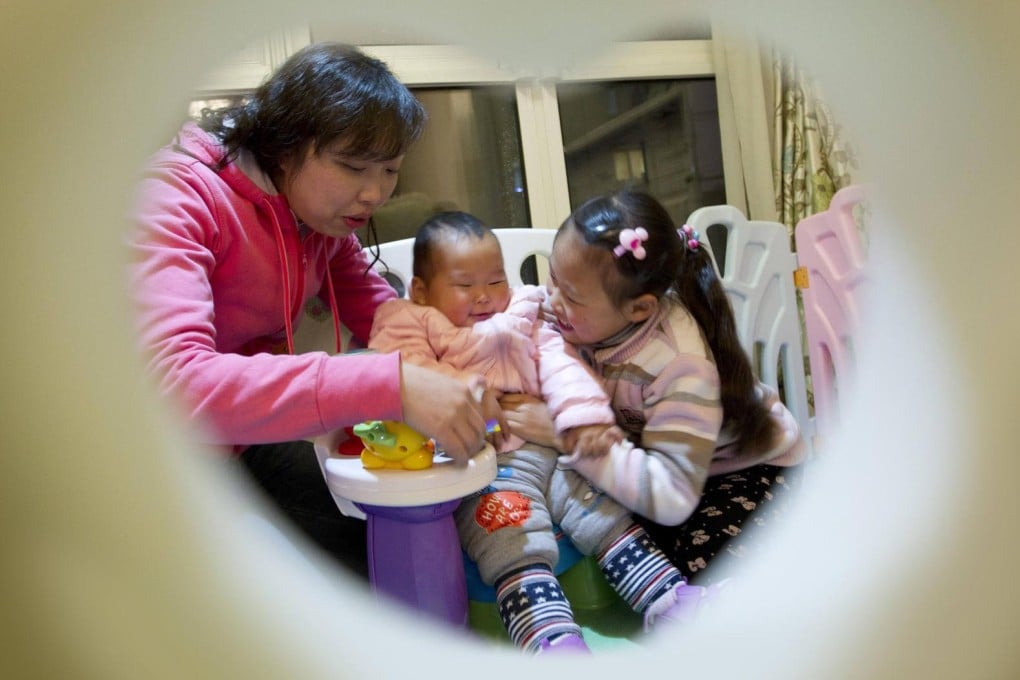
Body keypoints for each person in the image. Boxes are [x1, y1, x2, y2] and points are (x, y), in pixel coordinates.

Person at [127, 43, 488, 578]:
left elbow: (381, 311)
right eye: (352, 166)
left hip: (241, 443)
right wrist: (392, 383)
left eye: (389, 170)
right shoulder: (176, 196)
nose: (374, 194)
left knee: (392, 530)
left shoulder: (315, 219)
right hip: (146, 471)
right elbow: (176, 384)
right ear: (286, 141)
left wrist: (457, 368)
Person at [368, 212, 720, 656]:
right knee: (511, 535)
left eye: (494, 281)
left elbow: (560, 365)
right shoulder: (408, 320)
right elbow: (401, 369)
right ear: (421, 289)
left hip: (549, 451)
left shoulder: (523, 313)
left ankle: (668, 600)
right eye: (464, 285)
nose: (483, 296)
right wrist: (468, 392)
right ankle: (550, 638)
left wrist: (583, 418)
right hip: (482, 465)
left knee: (602, 511)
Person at [527, 190, 808, 583]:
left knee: (695, 580)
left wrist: (566, 435)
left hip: (752, 470)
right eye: (551, 278)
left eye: (570, 296)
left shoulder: (679, 365)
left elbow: (673, 497)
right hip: (667, 464)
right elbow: (526, 313)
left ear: (639, 308)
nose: (551, 300)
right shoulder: (583, 316)